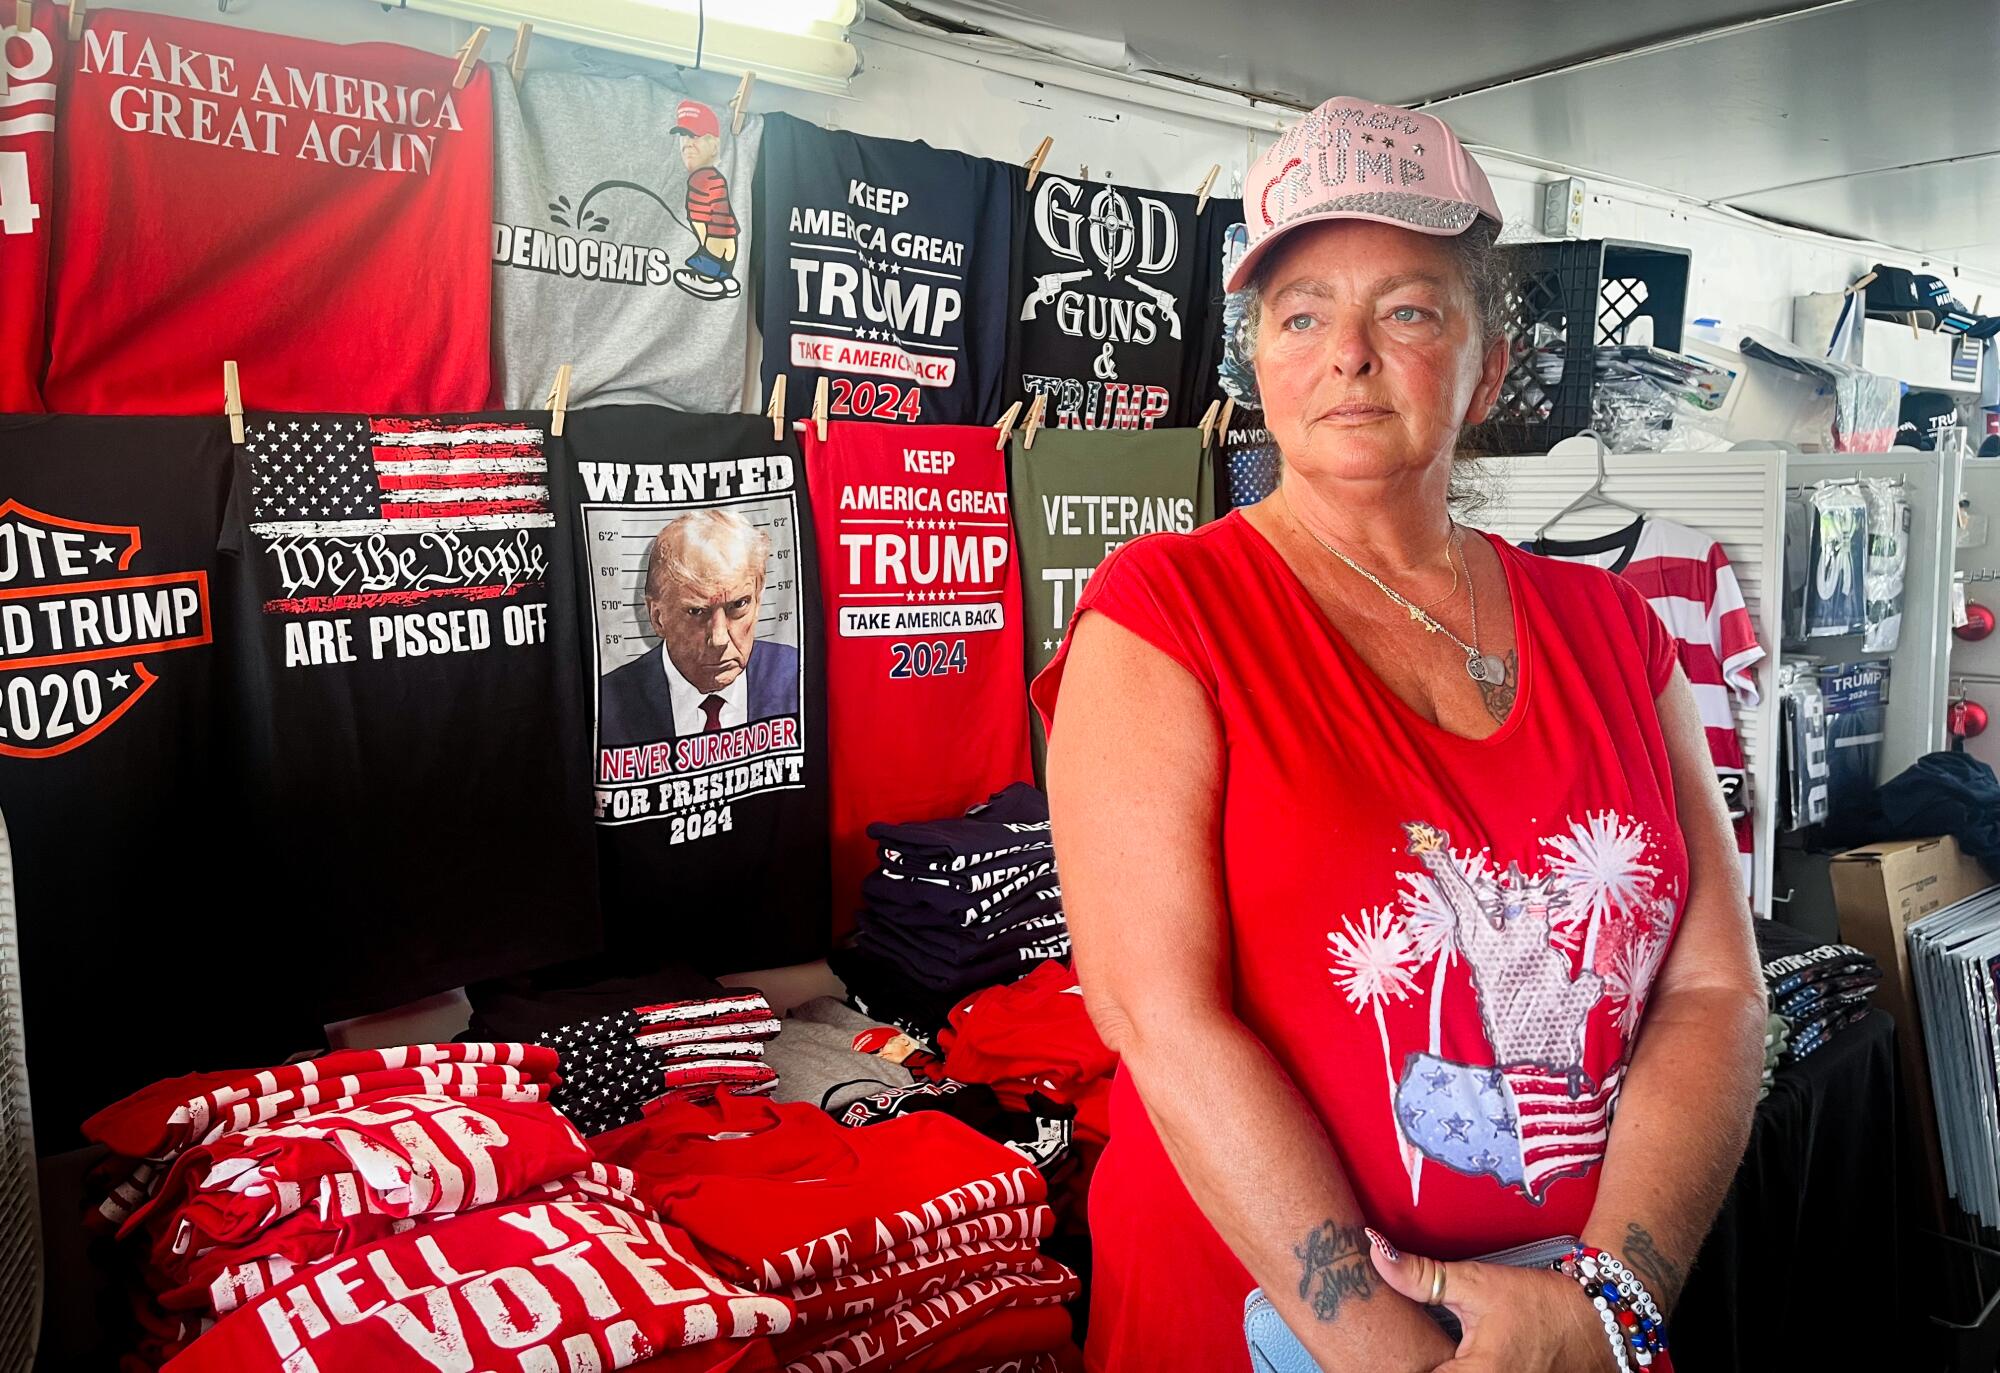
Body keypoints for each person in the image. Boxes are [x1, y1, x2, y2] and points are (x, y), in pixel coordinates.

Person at [1033, 96, 1764, 1373]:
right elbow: (1159, 1018)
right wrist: (1392, 1353)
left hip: (1570, 1322)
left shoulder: (1613, 628)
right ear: (1258, 360)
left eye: (1408, 309)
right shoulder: (1161, 614)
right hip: (1257, 1325)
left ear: (1486, 363)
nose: (1347, 354)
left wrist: (1612, 1304)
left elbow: (1712, 989)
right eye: (1300, 313)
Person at [598, 508, 798, 748]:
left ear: (758, 599)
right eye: (696, 612)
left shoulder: (797, 677)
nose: (720, 638)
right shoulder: (607, 703)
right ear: (658, 617)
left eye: (738, 605)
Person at [669, 100, 742, 301]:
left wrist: (709, 250)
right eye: (683, 136)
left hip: (716, 250)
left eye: (695, 136)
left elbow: (703, 224)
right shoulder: (715, 177)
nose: (687, 143)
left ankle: (709, 278)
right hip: (728, 253)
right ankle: (724, 275)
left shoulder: (703, 179)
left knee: (705, 254)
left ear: (715, 146)